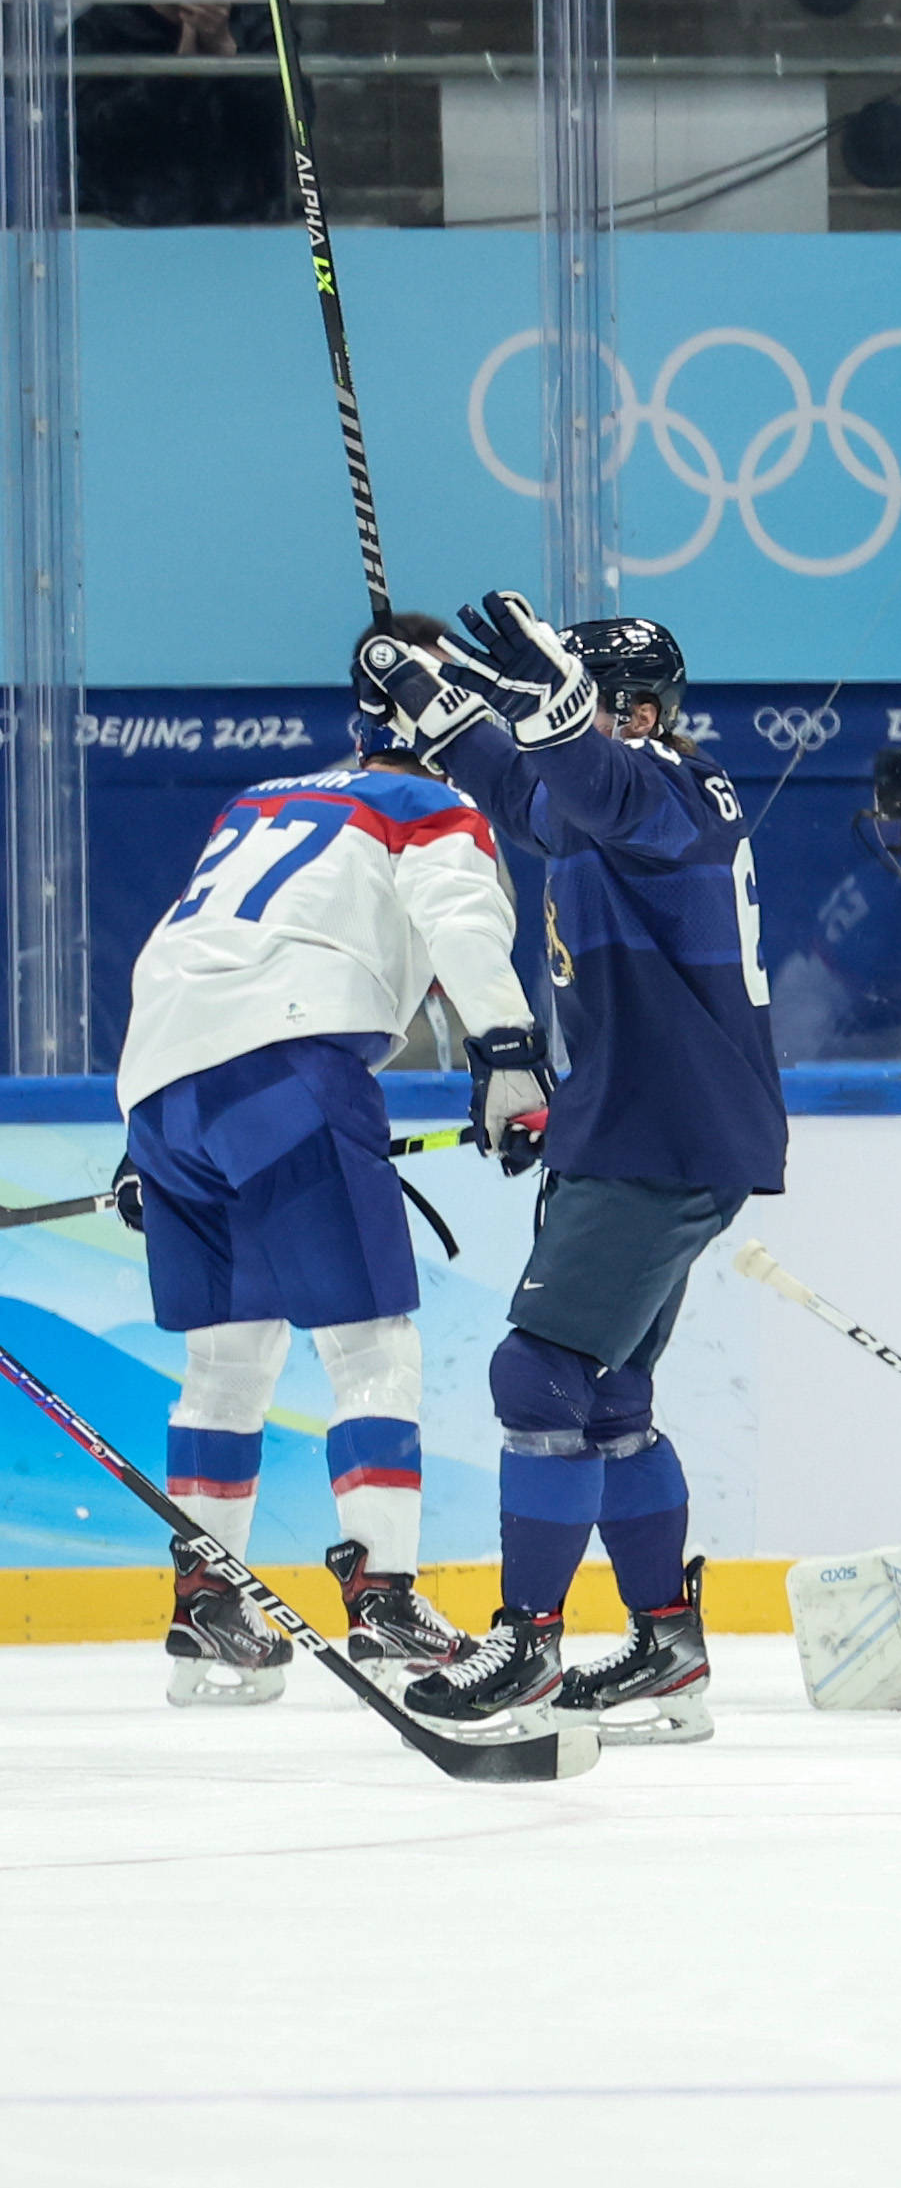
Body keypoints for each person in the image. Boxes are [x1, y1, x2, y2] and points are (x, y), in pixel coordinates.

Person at [358, 599, 787, 1747]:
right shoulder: (605, 796)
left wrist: (547, 724)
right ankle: (665, 1647)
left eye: (612, 702)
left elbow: (584, 782)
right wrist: (437, 708)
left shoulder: (665, 790)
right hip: (647, 1125)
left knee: (538, 1375)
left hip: (662, 1132)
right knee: (601, 1397)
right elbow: (524, 792)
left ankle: (529, 1645)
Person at [110, 620, 542, 1703]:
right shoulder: (437, 805)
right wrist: (509, 1055)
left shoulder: (260, 798)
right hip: (292, 1067)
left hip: (161, 1084)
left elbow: (196, 945)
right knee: (372, 1345)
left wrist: (146, 1141)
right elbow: (463, 928)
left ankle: (208, 1605)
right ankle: (385, 1595)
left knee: (227, 1358)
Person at [74, 0, 282, 229]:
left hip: (243, 225)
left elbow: (292, 123)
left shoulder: (257, 15)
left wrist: (227, 53)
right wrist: (179, 70)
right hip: (128, 225)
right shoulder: (103, 22)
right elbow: (92, 131)